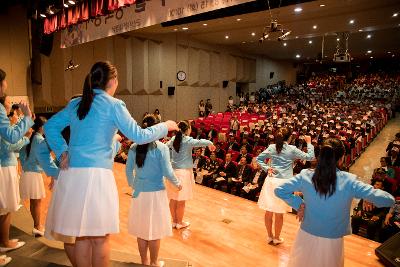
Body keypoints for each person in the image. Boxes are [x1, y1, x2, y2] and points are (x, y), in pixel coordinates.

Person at [43, 61, 178, 267]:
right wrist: (165, 126)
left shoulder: (76, 104)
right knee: (100, 238)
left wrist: (63, 152)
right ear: (113, 81)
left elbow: (50, 126)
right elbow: (139, 135)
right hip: (96, 178)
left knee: (81, 236)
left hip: (72, 177)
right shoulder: (114, 105)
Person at [275, 138, 395, 267]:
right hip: (332, 239)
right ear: (341, 158)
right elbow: (389, 200)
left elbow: (280, 190)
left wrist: (300, 204)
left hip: (306, 234)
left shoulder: (306, 175)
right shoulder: (350, 181)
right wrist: (368, 196)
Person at [125, 115, 182, 267]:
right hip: (156, 194)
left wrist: (134, 185)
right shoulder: (161, 148)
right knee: (154, 232)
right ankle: (154, 263)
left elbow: (128, 171)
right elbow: (168, 172)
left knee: (141, 231)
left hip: (139, 195)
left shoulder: (133, 147)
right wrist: (178, 183)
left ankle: (144, 262)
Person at [256, 127, 315, 245]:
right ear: (289, 137)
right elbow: (310, 157)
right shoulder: (292, 149)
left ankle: (269, 236)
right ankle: (276, 238)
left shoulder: (272, 147)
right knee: (279, 213)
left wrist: (267, 168)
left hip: (271, 181)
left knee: (268, 211)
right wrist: (309, 143)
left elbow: (259, 159)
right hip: (284, 184)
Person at [0, 69, 33, 265]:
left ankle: (4, 242)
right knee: (5, 207)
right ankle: (4, 242)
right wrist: (27, 118)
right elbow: (11, 138)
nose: (6, 85)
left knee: (4, 208)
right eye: (4, 81)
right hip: (3, 165)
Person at [166, 120, 214, 229]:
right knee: (181, 200)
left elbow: (165, 147)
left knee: (173, 199)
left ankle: (174, 222)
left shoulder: (173, 139)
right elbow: (201, 142)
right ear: (187, 129)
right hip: (183, 173)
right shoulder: (187, 140)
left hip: (173, 172)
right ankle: (179, 223)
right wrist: (211, 143)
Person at [19, 116, 59, 237]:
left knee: (33, 202)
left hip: (26, 173)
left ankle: (35, 226)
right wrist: (55, 173)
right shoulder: (39, 139)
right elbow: (45, 159)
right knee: (37, 202)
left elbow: (21, 155)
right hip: (34, 174)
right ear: (42, 127)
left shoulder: (29, 138)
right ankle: (37, 226)